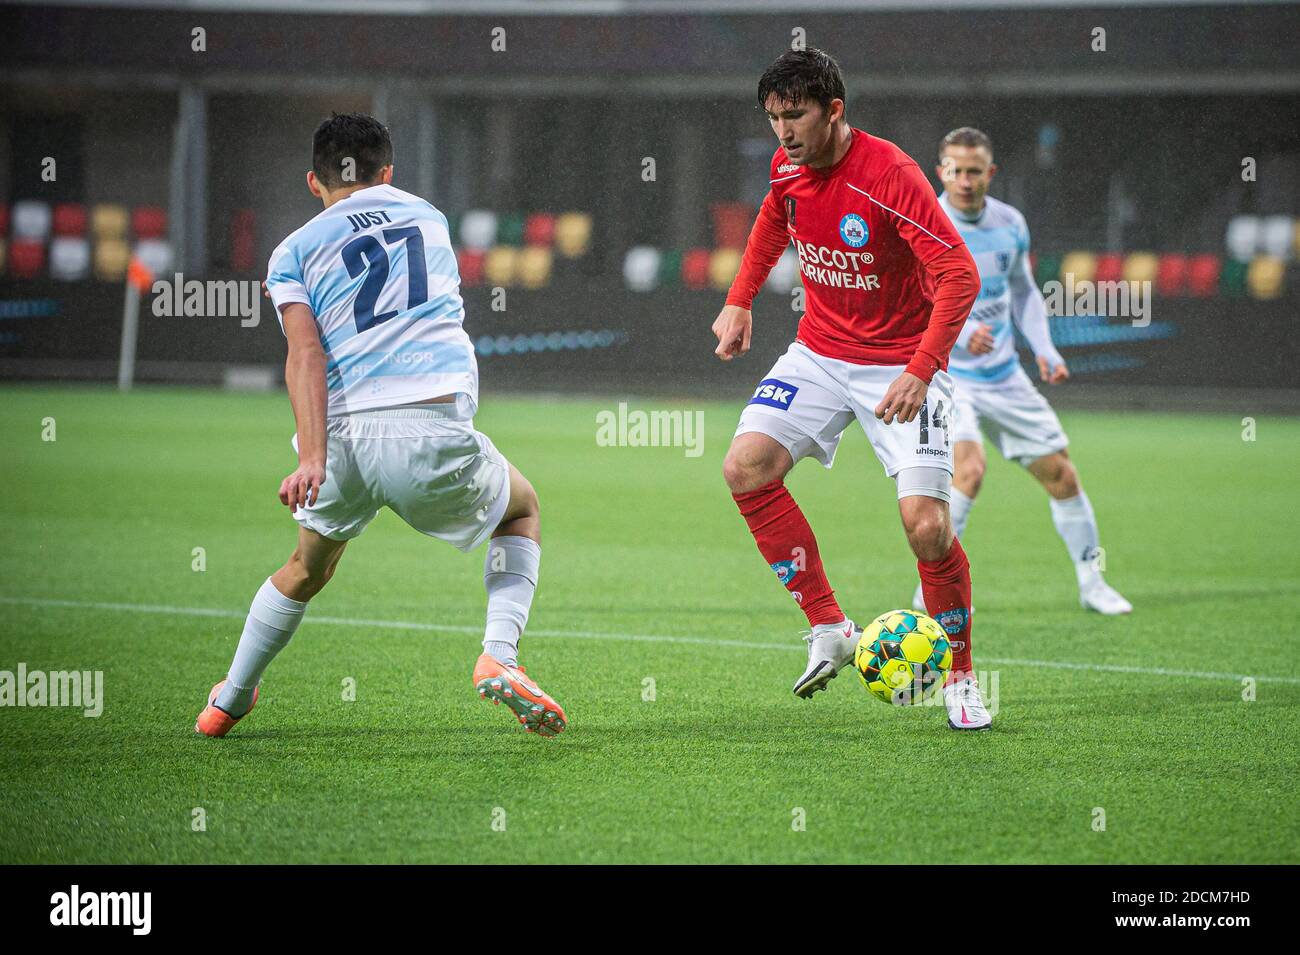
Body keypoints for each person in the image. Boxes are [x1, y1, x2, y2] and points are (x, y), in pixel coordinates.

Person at [195, 113, 566, 739]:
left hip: (342, 440)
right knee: (521, 510)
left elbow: (304, 354)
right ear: (387, 172)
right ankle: (498, 655)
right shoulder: (428, 217)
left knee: (306, 569)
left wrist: (312, 458)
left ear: (314, 181)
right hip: (430, 423)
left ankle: (228, 700)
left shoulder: (292, 251)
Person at [712, 50, 991, 729]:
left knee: (927, 527)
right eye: (773, 118)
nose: (783, 132)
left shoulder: (889, 174)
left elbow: (959, 274)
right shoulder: (787, 165)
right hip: (819, 352)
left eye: (796, 116)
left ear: (834, 110)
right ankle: (830, 625)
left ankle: (959, 676)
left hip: (902, 361)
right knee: (745, 467)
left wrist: (923, 367)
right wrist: (741, 298)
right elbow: (774, 220)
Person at [914, 126, 1131, 616]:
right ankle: (929, 595)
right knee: (968, 472)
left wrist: (1046, 349)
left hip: (1004, 375)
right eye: (955, 170)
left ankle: (1092, 582)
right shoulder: (925, 224)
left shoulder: (1010, 223)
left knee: (1062, 475)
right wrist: (959, 330)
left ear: (990, 173)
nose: (965, 180)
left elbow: (1025, 291)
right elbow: (913, 298)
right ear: (940, 171)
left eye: (974, 171)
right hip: (946, 377)